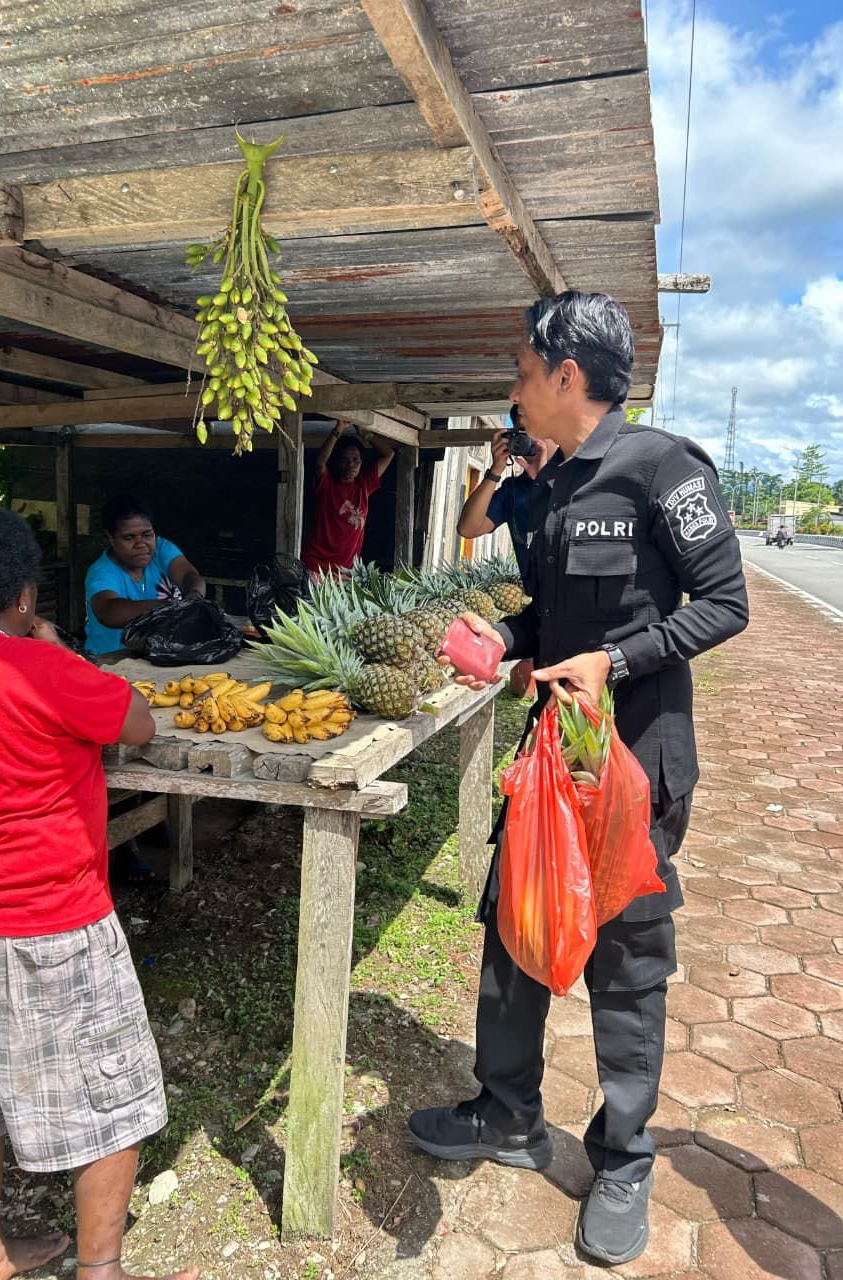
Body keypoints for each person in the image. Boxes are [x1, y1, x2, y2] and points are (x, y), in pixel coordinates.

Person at [410, 292, 749, 1267]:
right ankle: (506, 1112)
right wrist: (500, 636)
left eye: (524, 372)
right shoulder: (550, 486)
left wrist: (619, 660)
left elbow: (724, 601)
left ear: (567, 375)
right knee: (513, 924)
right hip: (551, 756)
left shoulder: (663, 468)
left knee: (626, 964)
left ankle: (624, 1157)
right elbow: (551, 617)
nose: (515, 389)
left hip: (633, 764)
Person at [0, 495, 198, 1280]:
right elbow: (137, 722)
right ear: (24, 595)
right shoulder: (47, 668)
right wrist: (61, 651)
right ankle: (101, 1270)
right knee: (110, 1093)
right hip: (49, 921)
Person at [456, 413, 554, 694]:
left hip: (581, 617)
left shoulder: (574, 481)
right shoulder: (514, 491)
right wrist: (495, 470)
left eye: (538, 428)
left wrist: (546, 483)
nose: (531, 438)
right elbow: (468, 528)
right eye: (523, 431)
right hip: (540, 610)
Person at [85, 494, 205, 654]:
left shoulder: (161, 549)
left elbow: (188, 575)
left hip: (155, 655)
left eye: (147, 535)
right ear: (111, 538)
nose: (141, 544)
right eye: (129, 537)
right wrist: (170, 607)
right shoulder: (102, 572)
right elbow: (109, 611)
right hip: (110, 659)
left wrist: (194, 595)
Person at [300, 420, 395, 575]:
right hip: (316, 566)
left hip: (346, 571)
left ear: (361, 462)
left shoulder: (363, 486)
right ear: (336, 462)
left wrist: (365, 433)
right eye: (345, 460)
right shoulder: (326, 485)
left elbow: (389, 454)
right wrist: (338, 429)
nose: (351, 465)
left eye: (356, 460)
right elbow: (320, 463)